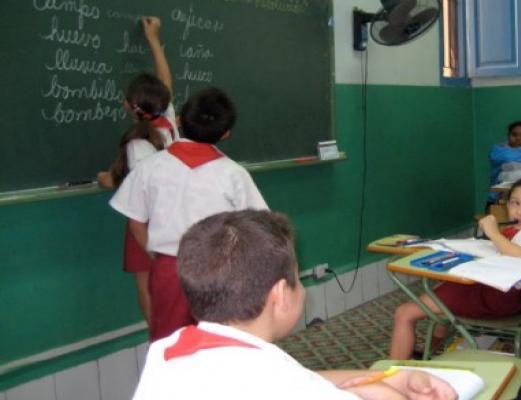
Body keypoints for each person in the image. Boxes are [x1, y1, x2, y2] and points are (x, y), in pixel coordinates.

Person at [132, 210, 456, 400]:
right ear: (280, 295)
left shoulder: (169, 350)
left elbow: (300, 379)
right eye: (297, 280)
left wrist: (388, 375)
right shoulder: (279, 383)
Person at [110, 87, 269, 341]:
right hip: (219, 271)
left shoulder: (151, 166)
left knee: (169, 342)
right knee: (220, 340)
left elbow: (135, 221)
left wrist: (156, 255)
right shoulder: (234, 174)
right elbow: (259, 226)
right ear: (226, 133)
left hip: (169, 269)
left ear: (180, 121)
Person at [389, 177, 521, 360]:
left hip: (500, 299)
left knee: (404, 312)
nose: (520, 211)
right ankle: (433, 348)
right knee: (440, 291)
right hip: (512, 297)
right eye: (515, 203)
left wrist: (493, 232)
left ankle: (392, 377)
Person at [97, 16, 179, 327]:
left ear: (129, 107)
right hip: (172, 216)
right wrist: (154, 39)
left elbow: (137, 188)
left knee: (147, 284)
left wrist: (108, 180)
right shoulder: (168, 122)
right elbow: (166, 82)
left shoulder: (137, 145)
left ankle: (158, 336)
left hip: (146, 223)